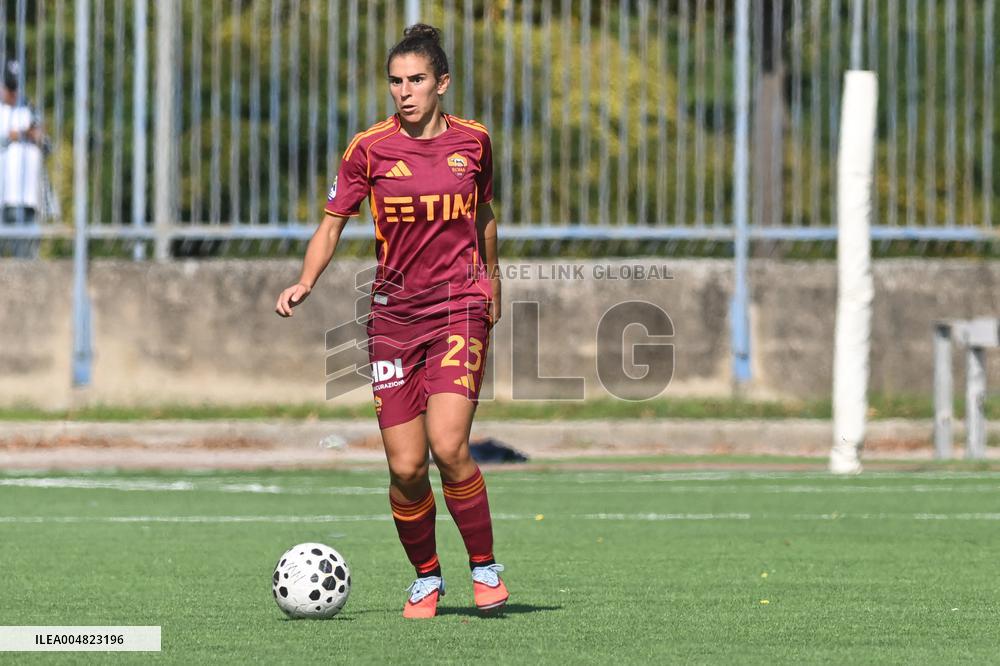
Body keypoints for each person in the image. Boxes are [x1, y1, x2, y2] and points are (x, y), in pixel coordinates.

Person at [275, 24, 505, 619]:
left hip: (459, 306)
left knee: (448, 445)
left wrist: (494, 280)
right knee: (406, 467)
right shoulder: (369, 149)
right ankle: (427, 577)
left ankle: (484, 565)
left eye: (417, 80)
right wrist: (307, 280)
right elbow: (332, 224)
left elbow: (483, 214)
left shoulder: (475, 142)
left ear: (442, 83)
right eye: (396, 82)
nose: (405, 92)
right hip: (393, 316)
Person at [0, 59, 44, 258]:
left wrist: (23, 134)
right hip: (3, 195)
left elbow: (45, 140)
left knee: (26, 262)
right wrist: (21, 134)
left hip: (26, 197)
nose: (13, 93)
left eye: (16, 87)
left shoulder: (30, 109)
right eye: (9, 88)